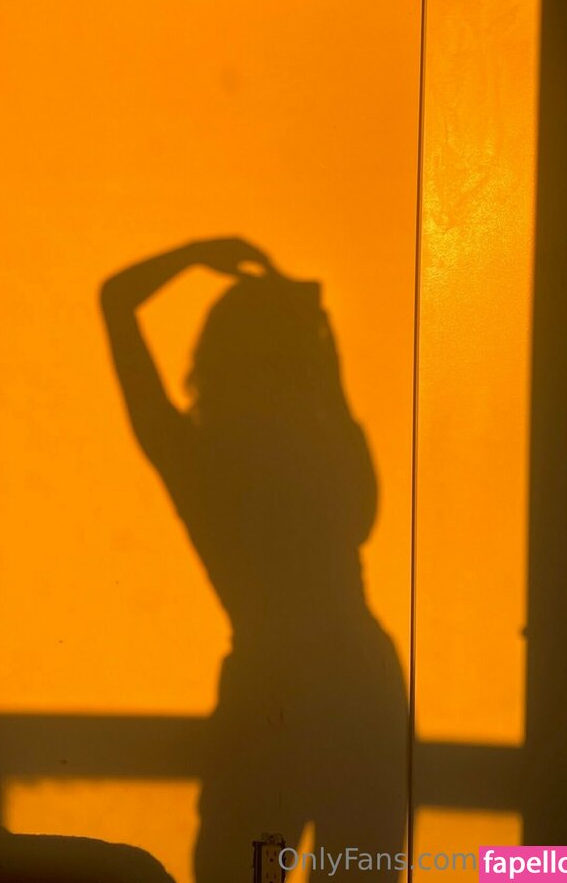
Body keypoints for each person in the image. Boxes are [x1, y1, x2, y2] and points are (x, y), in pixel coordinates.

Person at [100, 238, 407, 882]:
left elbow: (115, 299)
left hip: (268, 692)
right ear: (300, 363)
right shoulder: (322, 454)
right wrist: (323, 355)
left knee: (238, 873)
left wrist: (198, 255)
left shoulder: (194, 456)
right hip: (361, 688)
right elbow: (364, 511)